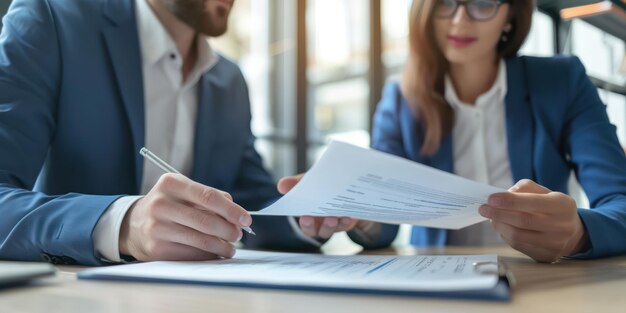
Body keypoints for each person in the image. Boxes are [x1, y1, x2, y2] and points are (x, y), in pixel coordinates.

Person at [280, 0, 626, 262]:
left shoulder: (561, 82)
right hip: (439, 284)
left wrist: (578, 233)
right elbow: (383, 224)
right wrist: (358, 213)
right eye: (446, 2)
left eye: (482, 3)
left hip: (543, 281)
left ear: (510, 15)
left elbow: (620, 202)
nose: (460, 19)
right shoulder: (400, 100)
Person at [0, 0, 320, 266]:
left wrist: (308, 213)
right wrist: (123, 225)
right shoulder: (50, 21)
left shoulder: (229, 80)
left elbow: (251, 206)